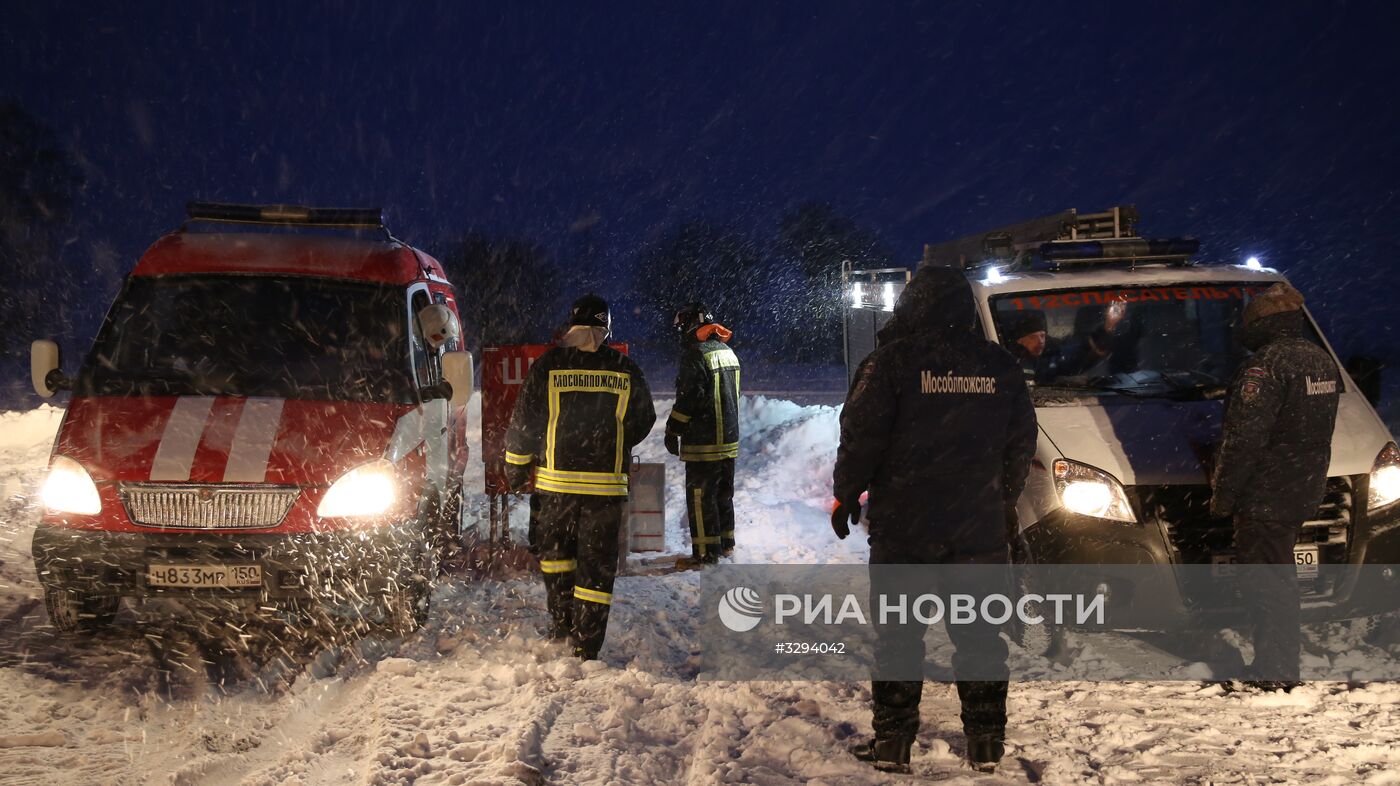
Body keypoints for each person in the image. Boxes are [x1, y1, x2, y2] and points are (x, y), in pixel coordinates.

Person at [832, 267, 1037, 773]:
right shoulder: (1000, 364)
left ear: (913, 306)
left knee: (900, 636)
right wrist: (998, 500)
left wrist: (845, 494)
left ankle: (893, 744)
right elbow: (1021, 443)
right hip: (978, 528)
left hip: (906, 527)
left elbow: (861, 439)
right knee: (981, 636)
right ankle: (987, 744)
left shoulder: (891, 363)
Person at [504, 294, 657, 660]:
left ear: (570, 324)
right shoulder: (625, 368)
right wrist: (612, 443)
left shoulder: (550, 366)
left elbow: (525, 422)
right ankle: (586, 644)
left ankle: (561, 624)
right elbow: (644, 420)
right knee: (596, 567)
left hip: (556, 488)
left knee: (557, 558)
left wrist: (515, 467)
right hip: (605, 491)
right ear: (607, 327)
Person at [1210, 282, 1339, 691]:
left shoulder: (1264, 367)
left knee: (1267, 584)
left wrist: (1225, 494)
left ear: (1263, 325)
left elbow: (1243, 439)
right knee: (1280, 580)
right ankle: (1279, 663)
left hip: (1265, 492)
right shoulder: (1320, 361)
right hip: (1302, 487)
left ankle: (1275, 670)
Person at [664, 303, 741, 565]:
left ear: (689, 326)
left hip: (703, 441)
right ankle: (725, 544)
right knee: (723, 494)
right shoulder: (728, 351)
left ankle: (705, 554)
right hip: (728, 440)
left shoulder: (695, 355)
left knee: (700, 497)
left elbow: (689, 399)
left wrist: (673, 429)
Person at [1005, 301, 1126, 383]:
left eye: (1042, 336)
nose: (1040, 341)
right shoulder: (1006, 361)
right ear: (1020, 341)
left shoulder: (1050, 355)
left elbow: (1075, 353)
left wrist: (1107, 328)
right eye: (1033, 337)